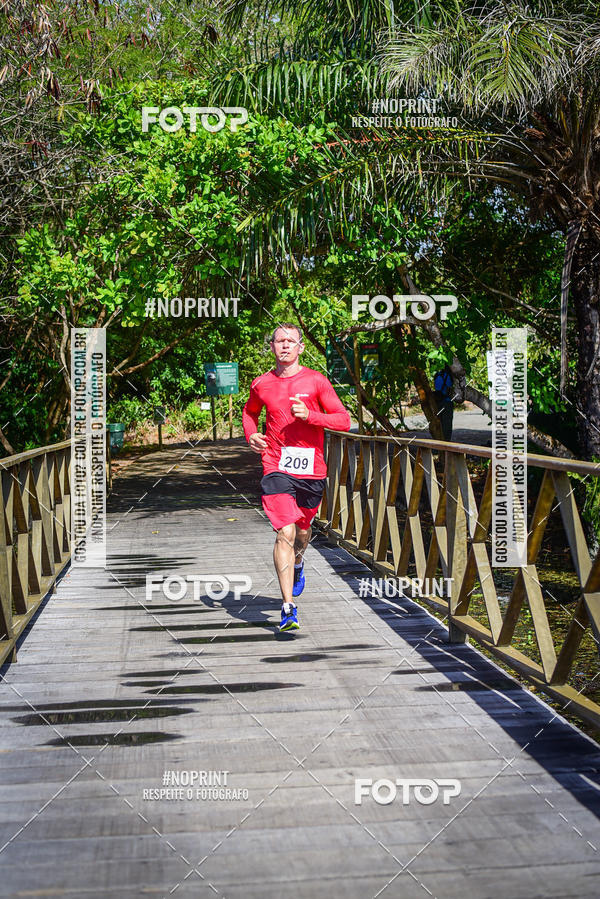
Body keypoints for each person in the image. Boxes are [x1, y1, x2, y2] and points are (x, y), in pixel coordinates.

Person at [242, 323, 351, 631]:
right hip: (275, 464)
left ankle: (299, 563)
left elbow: (344, 420)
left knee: (302, 535)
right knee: (285, 532)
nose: (285, 345)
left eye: (291, 341)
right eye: (280, 341)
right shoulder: (261, 384)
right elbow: (249, 413)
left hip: (311, 470)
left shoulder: (316, 381)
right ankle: (288, 607)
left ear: (301, 348)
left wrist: (312, 416)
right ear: (273, 347)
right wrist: (252, 435)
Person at [433, 365, 454, 441]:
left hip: (438, 403)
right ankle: (446, 443)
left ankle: (439, 441)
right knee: (447, 425)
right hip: (447, 402)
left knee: (440, 423)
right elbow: (450, 389)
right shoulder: (449, 376)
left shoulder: (436, 375)